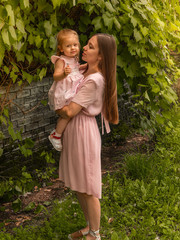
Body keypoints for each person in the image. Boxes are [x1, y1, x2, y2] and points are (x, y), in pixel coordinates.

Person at [56, 33, 119, 240]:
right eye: (87, 44)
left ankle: (95, 233)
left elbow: (69, 111)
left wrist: (56, 107)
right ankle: (88, 226)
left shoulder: (94, 80)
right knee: (79, 185)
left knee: (88, 187)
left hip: (83, 132)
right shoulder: (83, 70)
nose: (84, 48)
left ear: (100, 56)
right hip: (75, 131)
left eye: (90, 47)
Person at [48, 29, 85, 151]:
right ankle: (56, 135)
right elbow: (55, 76)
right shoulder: (61, 60)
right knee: (67, 115)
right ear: (61, 48)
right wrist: (63, 74)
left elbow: (77, 69)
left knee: (74, 113)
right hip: (65, 91)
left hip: (73, 89)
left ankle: (62, 134)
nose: (73, 48)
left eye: (75, 45)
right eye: (68, 46)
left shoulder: (74, 58)